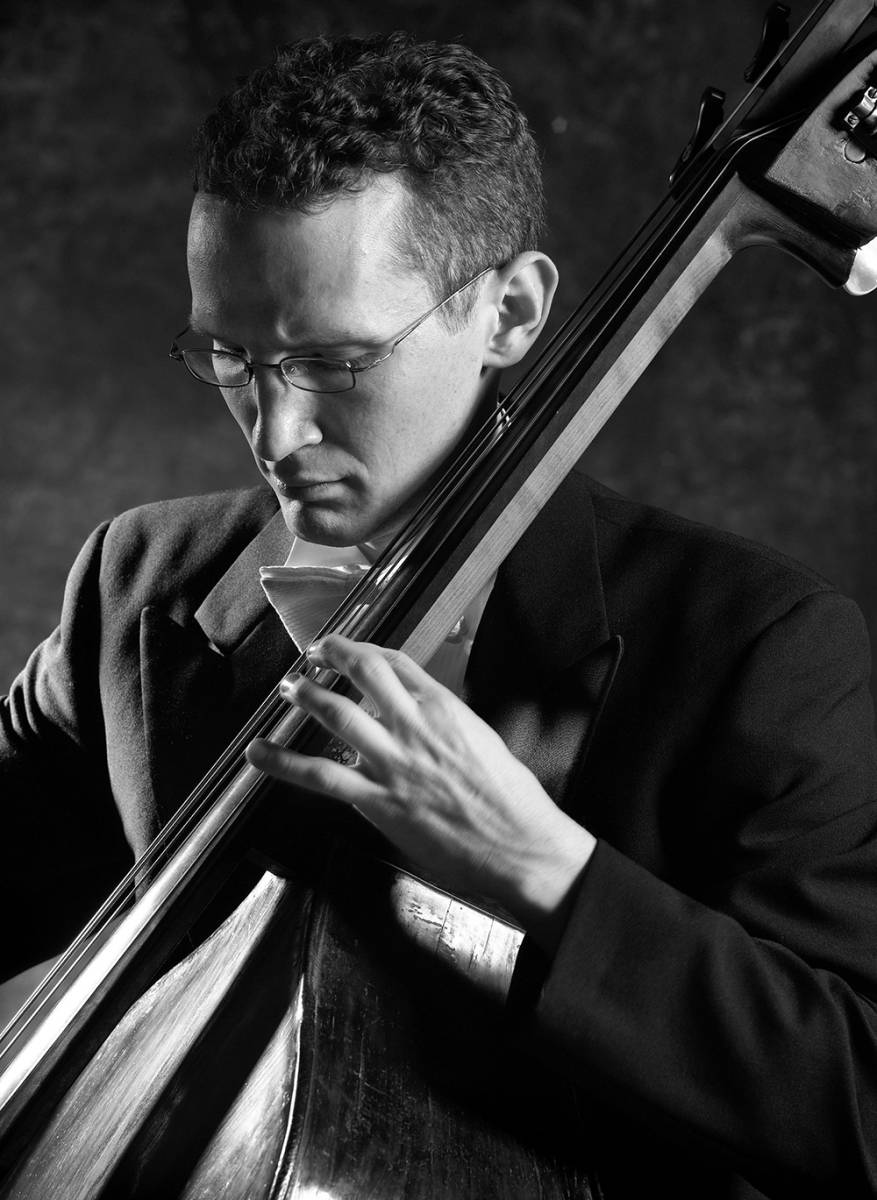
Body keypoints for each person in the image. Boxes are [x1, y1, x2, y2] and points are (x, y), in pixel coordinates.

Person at [2, 30, 877, 1200]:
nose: (273, 435)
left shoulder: (765, 651)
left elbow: (858, 1105)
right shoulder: (138, 582)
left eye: (334, 362)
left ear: (509, 313)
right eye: (229, 355)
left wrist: (548, 872)